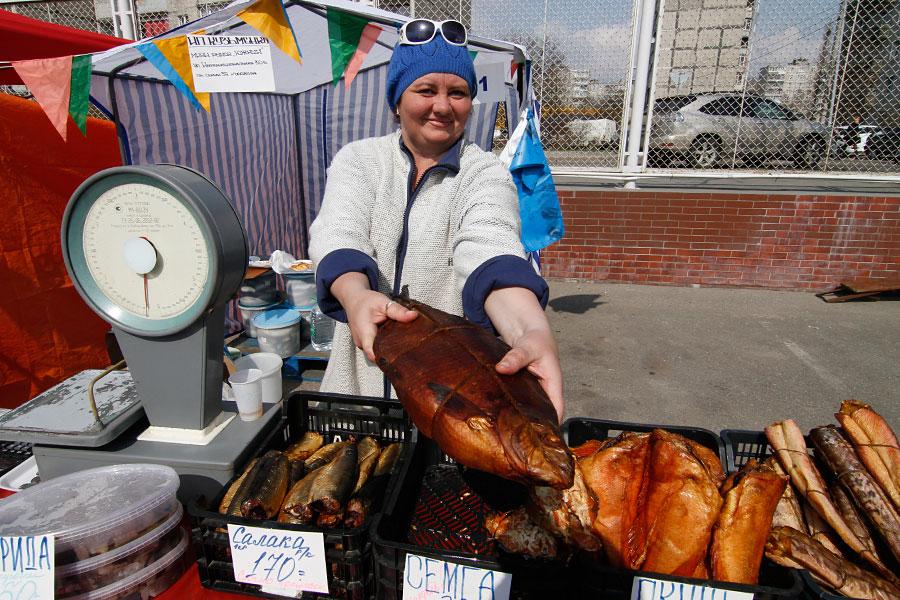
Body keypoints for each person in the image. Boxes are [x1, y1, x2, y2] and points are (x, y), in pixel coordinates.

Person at [308, 19, 564, 421]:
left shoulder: (484, 173)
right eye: (426, 90)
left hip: (450, 400)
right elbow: (340, 233)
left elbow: (491, 249)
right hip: (359, 386)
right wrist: (356, 297)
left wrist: (529, 331)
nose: (442, 107)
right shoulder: (360, 160)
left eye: (457, 93)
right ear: (397, 100)